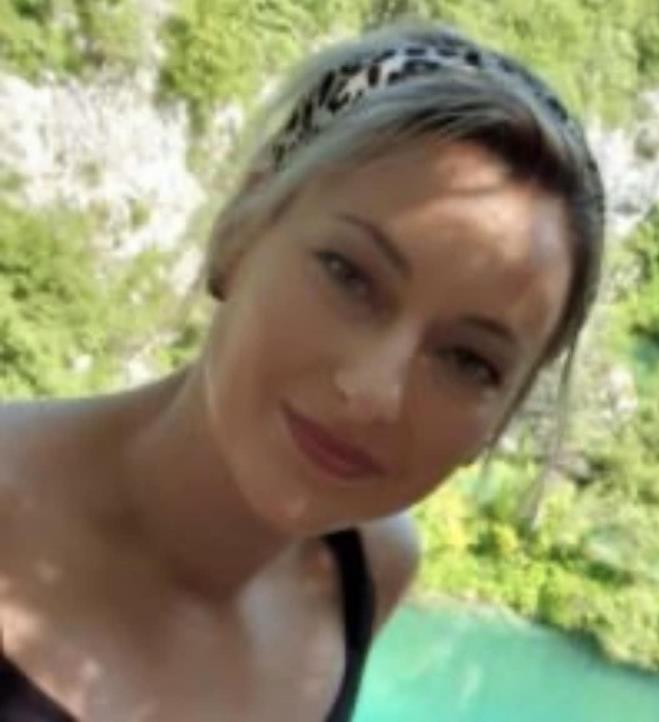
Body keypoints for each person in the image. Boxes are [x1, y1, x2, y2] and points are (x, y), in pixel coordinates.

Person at [0, 19, 605, 722]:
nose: (373, 392)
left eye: (469, 360)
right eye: (349, 276)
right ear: (242, 227)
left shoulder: (362, 575)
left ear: (500, 418)